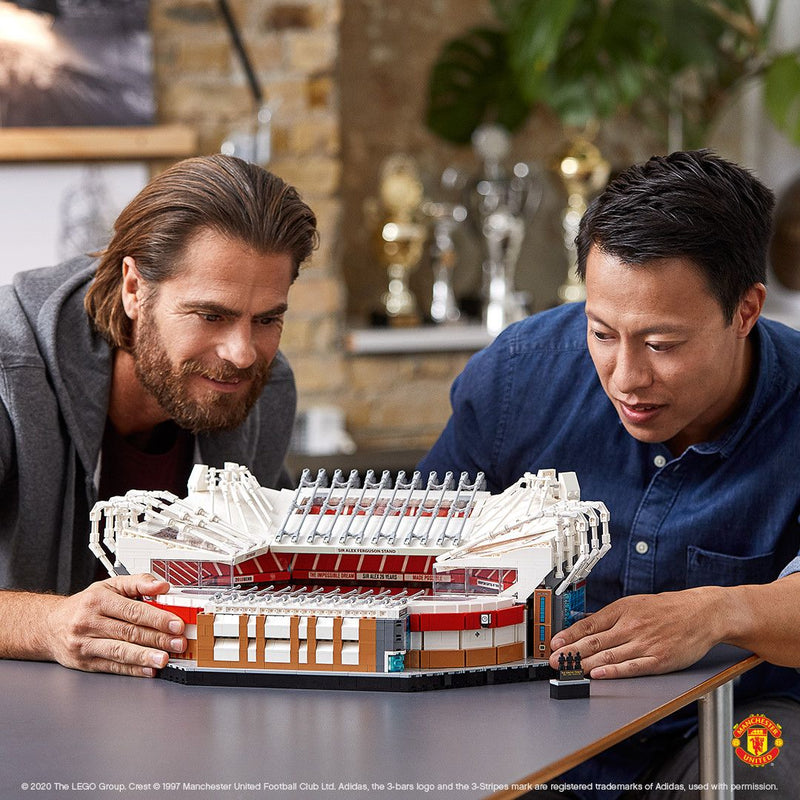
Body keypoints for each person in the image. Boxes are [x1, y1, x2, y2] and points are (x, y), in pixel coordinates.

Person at [419, 150, 800, 799]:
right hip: (530, 726)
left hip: (736, 724)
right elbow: (414, 553)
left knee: (759, 771)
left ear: (745, 311)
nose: (626, 378)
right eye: (601, 333)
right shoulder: (517, 379)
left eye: (661, 344)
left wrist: (719, 612)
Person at [0, 154, 318, 678]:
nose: (242, 353)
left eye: (266, 320)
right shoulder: (8, 369)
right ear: (134, 289)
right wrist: (47, 622)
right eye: (210, 315)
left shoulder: (265, 388)